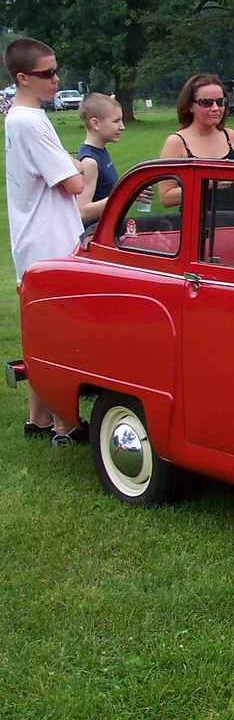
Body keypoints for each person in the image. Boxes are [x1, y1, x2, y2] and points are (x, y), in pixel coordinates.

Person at [3, 37, 87, 445]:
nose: (56, 79)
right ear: (23, 77)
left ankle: (37, 419)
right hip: (49, 241)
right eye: (47, 73)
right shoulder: (30, 122)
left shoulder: (19, 117)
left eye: (56, 71)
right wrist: (77, 163)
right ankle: (64, 425)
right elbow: (74, 183)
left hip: (33, 239)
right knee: (58, 338)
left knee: (39, 334)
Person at [158, 73, 234, 210]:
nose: (215, 108)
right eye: (206, 102)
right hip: (197, 221)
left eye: (220, 102)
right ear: (190, 106)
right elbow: (166, 197)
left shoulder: (230, 136)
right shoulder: (177, 142)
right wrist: (208, 184)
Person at [76, 93, 126, 226]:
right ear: (96, 124)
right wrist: (125, 195)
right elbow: (82, 212)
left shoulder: (100, 151)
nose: (122, 127)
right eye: (116, 121)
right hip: (94, 235)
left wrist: (133, 192)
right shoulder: (89, 161)